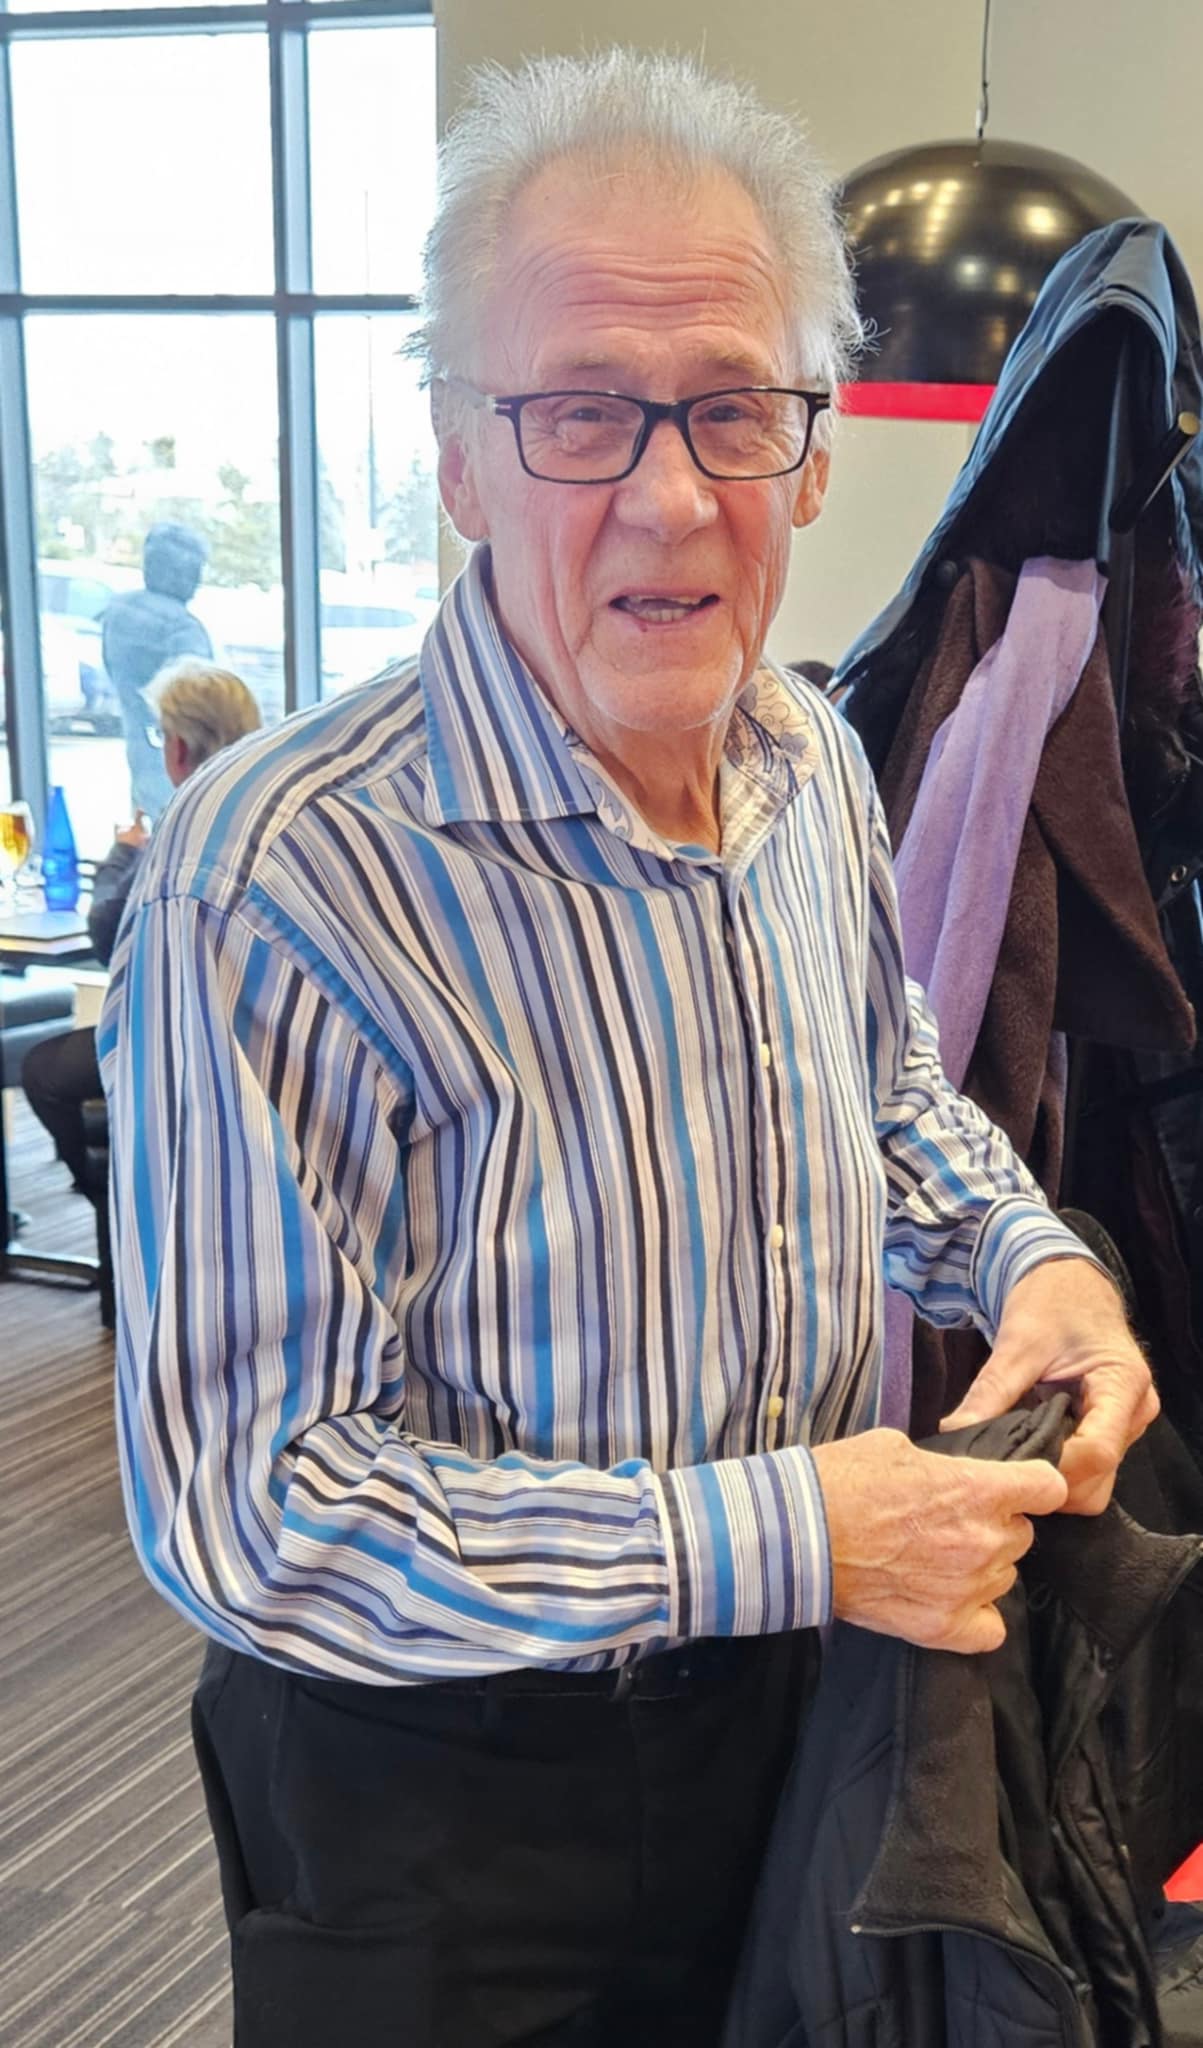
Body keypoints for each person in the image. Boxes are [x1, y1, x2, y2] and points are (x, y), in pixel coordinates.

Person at [100, 51, 1158, 2048]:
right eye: (580, 411)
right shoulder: (278, 875)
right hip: (447, 1798)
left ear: (809, 455)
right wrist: (791, 1528)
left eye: (729, 409)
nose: (667, 495)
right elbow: (259, 1508)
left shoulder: (810, 757)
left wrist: (1030, 1256)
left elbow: (880, 1095)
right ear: (458, 461)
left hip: (804, 1710)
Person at [23, 660, 260, 1194]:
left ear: (179, 747)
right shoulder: (257, 810)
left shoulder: (185, 822)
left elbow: (109, 937)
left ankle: (109, 1195)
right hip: (252, 1031)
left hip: (179, 1035)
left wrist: (121, 856)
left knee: (44, 1072)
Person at [101, 522, 214, 820]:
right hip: (183, 763)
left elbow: (113, 671)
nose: (198, 581)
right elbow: (204, 707)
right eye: (195, 570)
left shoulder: (118, 611)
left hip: (140, 748)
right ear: (179, 571)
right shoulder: (183, 627)